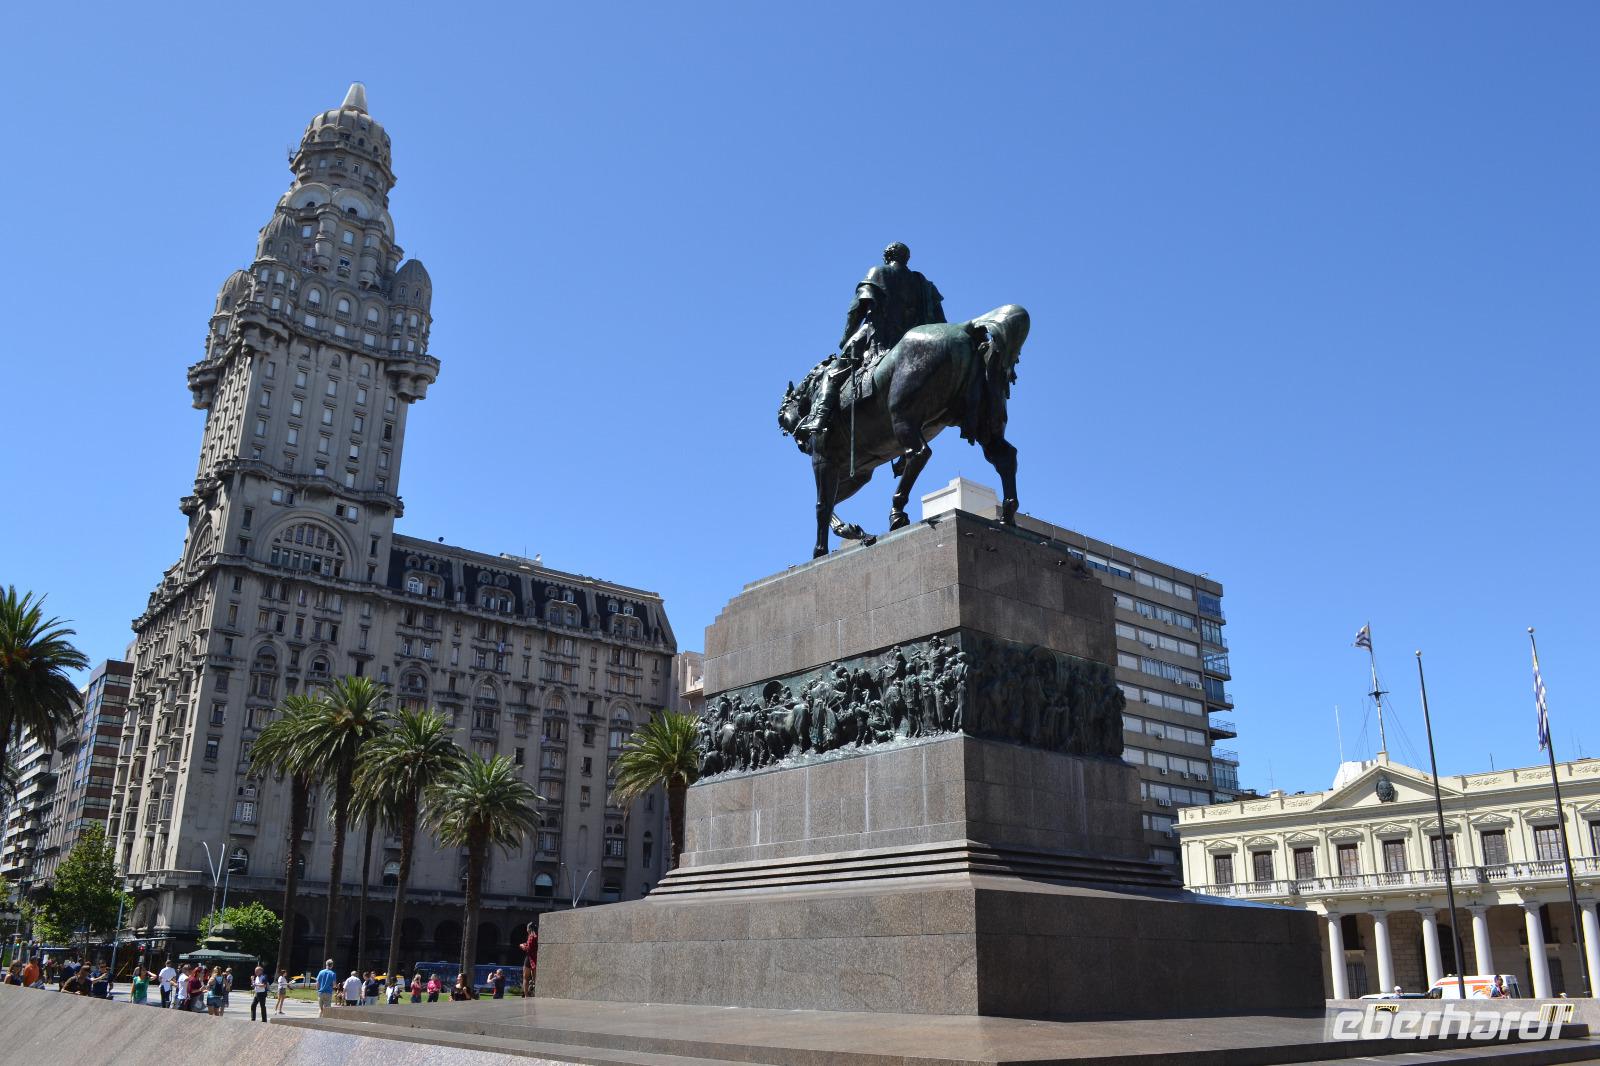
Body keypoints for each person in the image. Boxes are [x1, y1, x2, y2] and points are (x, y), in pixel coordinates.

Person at [797, 241, 946, 450]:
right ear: (907, 258)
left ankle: (818, 419)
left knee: (833, 373)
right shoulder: (924, 284)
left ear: (887, 256)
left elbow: (857, 309)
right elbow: (941, 323)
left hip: (881, 340)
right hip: (919, 346)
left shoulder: (879, 272)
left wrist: (846, 338)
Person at [521, 922, 538, 995]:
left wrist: (522, 946)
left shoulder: (531, 936)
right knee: (535, 978)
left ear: (529, 928)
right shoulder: (536, 935)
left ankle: (526, 995)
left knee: (526, 978)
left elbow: (529, 948)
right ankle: (535, 993)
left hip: (529, 958)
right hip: (536, 958)